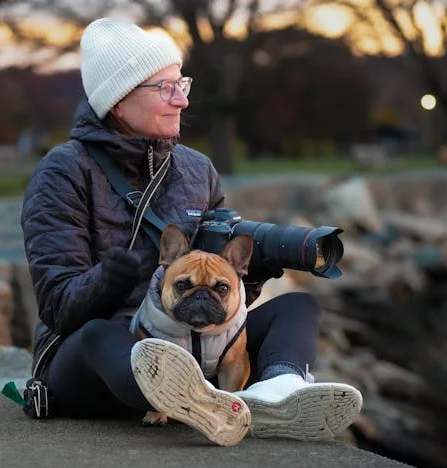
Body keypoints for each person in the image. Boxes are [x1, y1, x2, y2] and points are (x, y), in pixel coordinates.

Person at [20, 17, 362, 446]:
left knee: (297, 308)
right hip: (97, 359)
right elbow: (57, 307)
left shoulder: (196, 168)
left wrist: (248, 274)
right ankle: (203, 400)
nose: (181, 101)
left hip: (193, 347)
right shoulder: (63, 172)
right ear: (118, 99)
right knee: (100, 335)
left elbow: (213, 299)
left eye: (182, 85)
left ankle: (274, 393)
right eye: (165, 88)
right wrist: (111, 279)